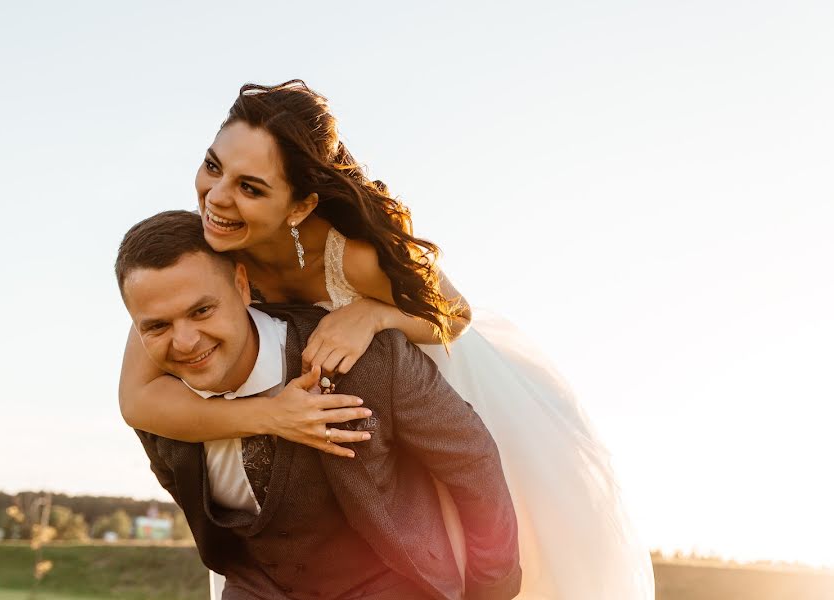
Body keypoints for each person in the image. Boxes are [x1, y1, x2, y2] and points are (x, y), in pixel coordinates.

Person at [119, 81, 655, 599]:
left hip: (412, 385)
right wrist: (271, 415)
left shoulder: (355, 256)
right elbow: (138, 399)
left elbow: (455, 315)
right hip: (303, 441)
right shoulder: (201, 260)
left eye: (250, 187)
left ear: (301, 205)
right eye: (214, 166)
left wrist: (374, 315)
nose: (217, 197)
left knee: (461, 537)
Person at [116, 209, 521, 599]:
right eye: (157, 326)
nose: (185, 342)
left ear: (242, 286)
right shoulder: (160, 408)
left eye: (202, 310)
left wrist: (489, 591)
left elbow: (472, 463)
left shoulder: (370, 361)